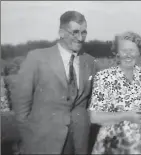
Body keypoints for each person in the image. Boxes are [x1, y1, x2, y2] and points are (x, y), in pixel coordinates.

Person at [11, 11, 97, 154]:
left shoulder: (90, 61)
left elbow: (91, 102)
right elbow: (21, 103)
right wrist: (30, 135)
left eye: (84, 32)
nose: (80, 38)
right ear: (61, 33)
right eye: (75, 32)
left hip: (79, 140)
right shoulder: (37, 58)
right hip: (44, 140)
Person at [89, 31, 141, 154]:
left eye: (132, 50)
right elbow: (94, 117)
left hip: (140, 145)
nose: (128, 55)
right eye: (124, 50)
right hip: (113, 144)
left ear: (139, 52)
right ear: (116, 53)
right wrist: (127, 116)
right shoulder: (104, 77)